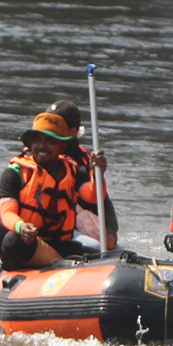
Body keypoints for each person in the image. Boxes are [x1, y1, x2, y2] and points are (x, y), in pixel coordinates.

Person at [0, 111, 101, 269]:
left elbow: (92, 197)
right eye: (37, 139)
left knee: (99, 253)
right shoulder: (14, 173)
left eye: (50, 141)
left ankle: (61, 264)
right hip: (26, 242)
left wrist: (97, 174)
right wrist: (21, 226)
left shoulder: (75, 171)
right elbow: (7, 212)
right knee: (12, 241)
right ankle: (62, 265)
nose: (42, 145)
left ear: (62, 146)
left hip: (57, 243)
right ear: (30, 143)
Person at [48, 100, 118, 248]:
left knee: (116, 250)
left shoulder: (82, 159)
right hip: (53, 227)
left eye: (55, 126)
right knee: (95, 246)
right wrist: (78, 214)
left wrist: (111, 232)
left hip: (81, 225)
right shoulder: (38, 157)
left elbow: (101, 198)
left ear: (73, 131)